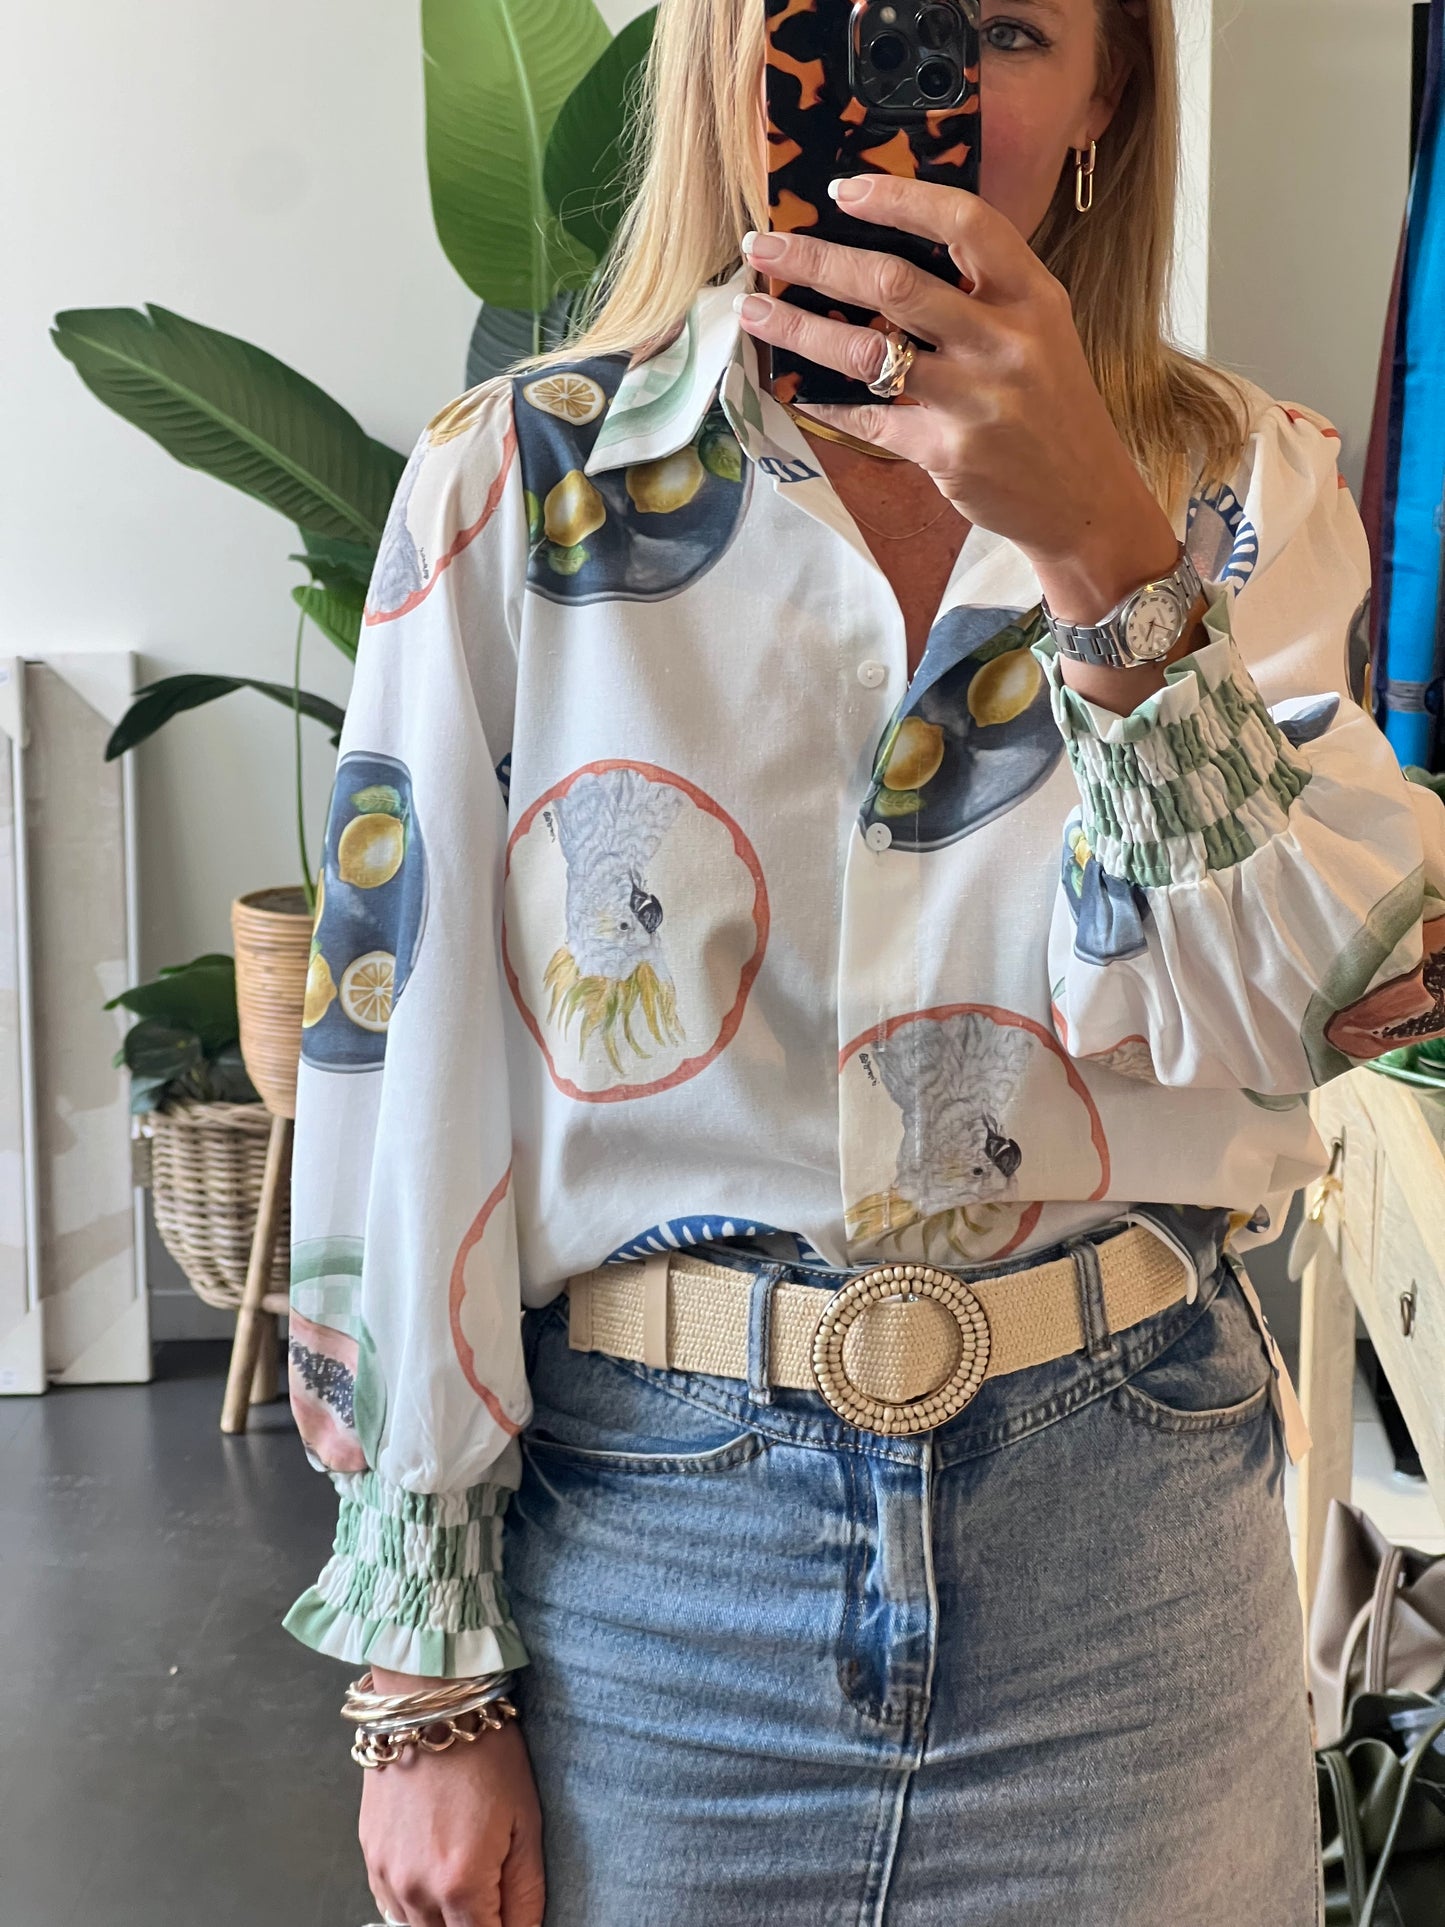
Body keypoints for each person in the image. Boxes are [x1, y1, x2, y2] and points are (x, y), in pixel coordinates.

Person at [282, 1, 1445, 1921]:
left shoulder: (1250, 487)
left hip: (1125, 1561)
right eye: (849, 16)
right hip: (650, 1561)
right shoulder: (514, 487)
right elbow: (404, 1071)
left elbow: (1305, 1010)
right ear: (736, 65)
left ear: (1107, 94)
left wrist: (1102, 549)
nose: (931, 84)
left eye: (1005, 28)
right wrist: (424, 1680)